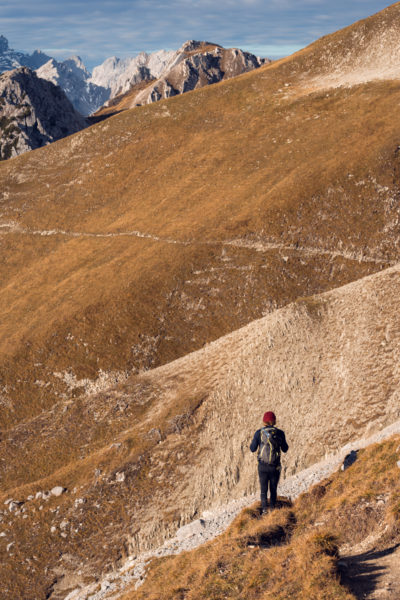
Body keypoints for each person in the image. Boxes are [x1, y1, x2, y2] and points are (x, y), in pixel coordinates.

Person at [250, 411, 288, 513]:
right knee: (273, 489)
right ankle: (272, 509)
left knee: (263, 490)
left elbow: (252, 449)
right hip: (275, 466)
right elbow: (285, 449)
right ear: (274, 420)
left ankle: (264, 510)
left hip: (262, 466)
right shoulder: (280, 433)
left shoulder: (259, 433)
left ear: (264, 421)